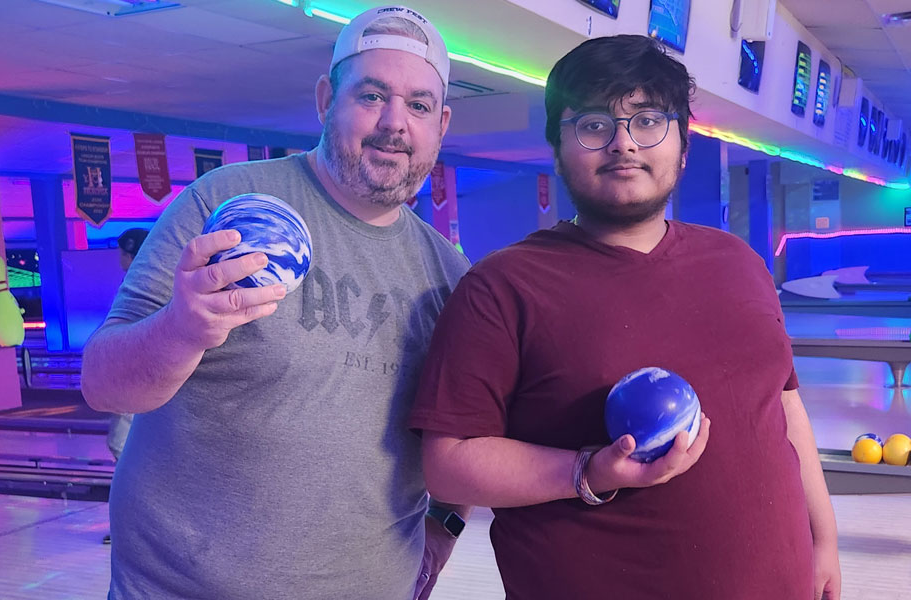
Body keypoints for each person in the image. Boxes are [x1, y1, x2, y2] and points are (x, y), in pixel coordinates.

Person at [409, 35, 841, 599]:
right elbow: (448, 464)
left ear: (683, 146)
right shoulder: (502, 286)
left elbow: (783, 406)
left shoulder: (740, 262)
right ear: (557, 147)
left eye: (647, 121)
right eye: (593, 124)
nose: (622, 144)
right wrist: (588, 471)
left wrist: (824, 541)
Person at [80, 6, 471, 598]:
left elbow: (463, 428)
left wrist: (444, 525)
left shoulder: (449, 274)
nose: (395, 123)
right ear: (325, 100)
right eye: (371, 96)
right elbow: (104, 384)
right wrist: (182, 330)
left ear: (440, 123)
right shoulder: (225, 204)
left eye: (418, 105)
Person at [105, 228, 150, 461]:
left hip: (136, 368)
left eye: (121, 254)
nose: (119, 258)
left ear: (130, 256)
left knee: (119, 442)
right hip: (150, 369)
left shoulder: (136, 287)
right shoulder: (159, 278)